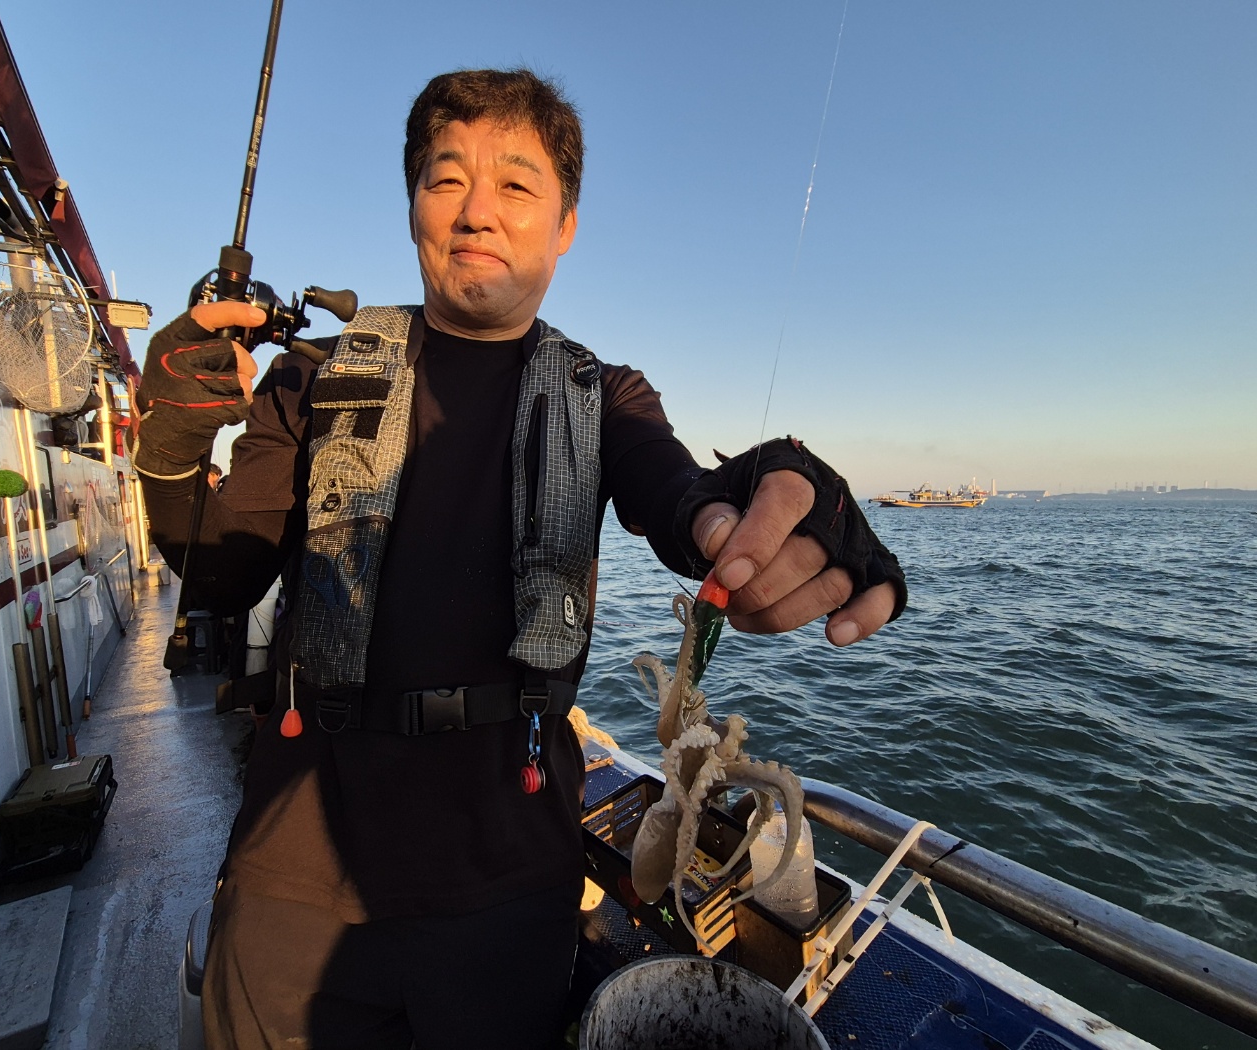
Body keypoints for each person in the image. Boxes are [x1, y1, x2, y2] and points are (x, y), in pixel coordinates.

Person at [135, 69, 906, 1050]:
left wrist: (767, 492)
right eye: (445, 178)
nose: (476, 211)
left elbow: (680, 498)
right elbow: (217, 572)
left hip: (512, 887)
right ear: (413, 205)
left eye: (515, 184)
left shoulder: (604, 397)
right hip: (293, 876)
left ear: (564, 225)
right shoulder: (313, 377)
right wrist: (168, 444)